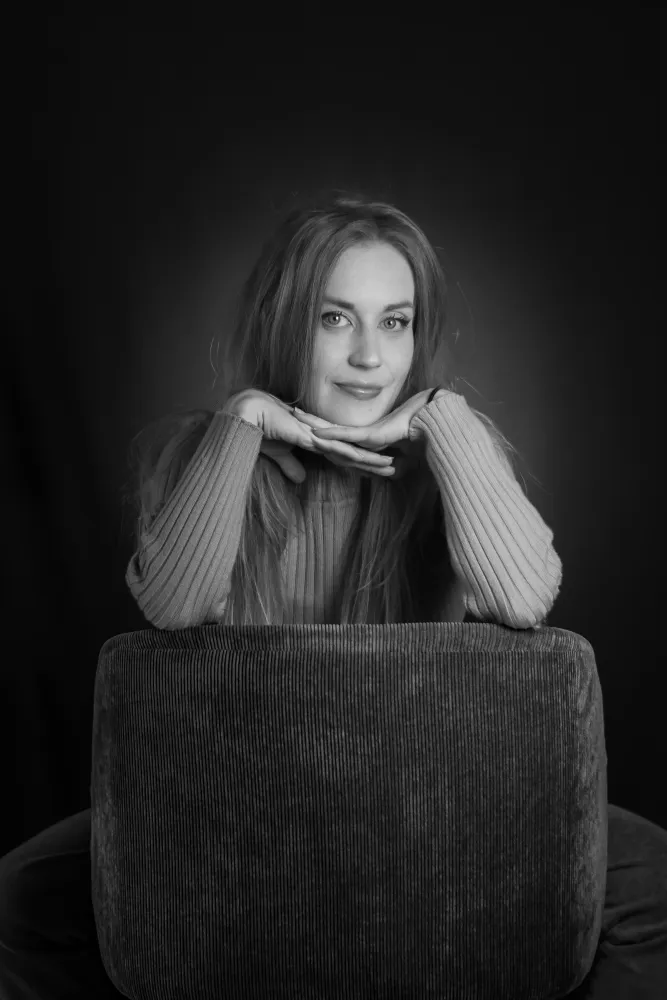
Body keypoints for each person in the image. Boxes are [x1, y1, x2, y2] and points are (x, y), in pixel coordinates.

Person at [0, 191, 664, 997]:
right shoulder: (205, 454)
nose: (369, 357)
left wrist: (445, 418)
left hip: (429, 808)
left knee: (651, 882)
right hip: (244, 811)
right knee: (18, 900)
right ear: (285, 321)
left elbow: (524, 600)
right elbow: (172, 607)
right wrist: (241, 424)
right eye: (334, 318)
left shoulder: (450, 456)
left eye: (395, 322)